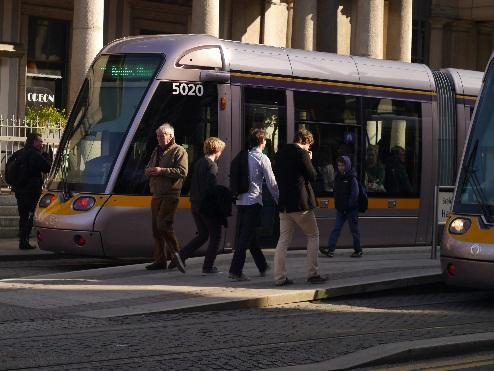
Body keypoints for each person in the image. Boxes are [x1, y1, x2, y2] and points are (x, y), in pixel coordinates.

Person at [274, 128, 328, 286]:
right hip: (300, 203)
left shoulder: (281, 153)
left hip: (284, 204)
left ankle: (279, 277)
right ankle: (313, 274)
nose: (309, 148)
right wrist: (309, 159)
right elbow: (313, 176)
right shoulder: (302, 153)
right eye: (309, 145)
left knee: (283, 241)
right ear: (305, 141)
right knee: (313, 235)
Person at [229, 128, 278, 281]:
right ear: (262, 141)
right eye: (265, 140)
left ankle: (262, 265)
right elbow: (271, 183)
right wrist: (279, 200)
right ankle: (235, 271)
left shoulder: (244, 156)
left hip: (241, 201)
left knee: (249, 234)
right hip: (253, 201)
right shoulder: (262, 158)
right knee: (245, 237)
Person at [144, 123, 188, 272]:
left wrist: (161, 170)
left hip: (170, 194)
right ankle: (160, 260)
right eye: (157, 136)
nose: (159, 138)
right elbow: (150, 166)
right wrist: (149, 171)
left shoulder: (179, 151)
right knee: (156, 229)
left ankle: (177, 255)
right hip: (156, 194)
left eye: (162, 136)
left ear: (170, 136)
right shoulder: (157, 150)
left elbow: (182, 171)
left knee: (164, 225)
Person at [179, 137, 226, 274]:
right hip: (206, 207)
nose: (220, 154)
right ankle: (208, 267)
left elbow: (190, 183)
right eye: (221, 151)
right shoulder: (212, 166)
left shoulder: (198, 162)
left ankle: (181, 255)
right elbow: (211, 188)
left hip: (195, 205)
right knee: (216, 236)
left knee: (203, 234)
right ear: (217, 150)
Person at [13, 132, 52, 250]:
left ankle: (22, 239)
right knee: (30, 215)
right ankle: (24, 241)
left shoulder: (20, 153)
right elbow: (47, 167)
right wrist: (46, 155)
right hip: (31, 191)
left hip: (20, 190)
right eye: (40, 141)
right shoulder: (35, 154)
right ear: (34, 142)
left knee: (23, 215)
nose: (42, 143)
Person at [321, 155, 363, 258]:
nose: (340, 167)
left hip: (351, 210)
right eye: (339, 165)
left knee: (354, 230)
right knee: (336, 228)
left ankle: (358, 250)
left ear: (347, 165)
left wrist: (348, 206)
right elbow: (336, 192)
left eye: (342, 165)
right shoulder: (338, 177)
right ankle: (330, 250)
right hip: (341, 209)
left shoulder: (351, 178)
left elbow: (355, 194)